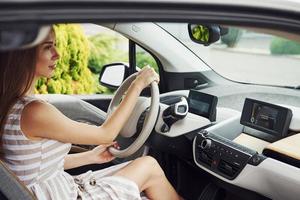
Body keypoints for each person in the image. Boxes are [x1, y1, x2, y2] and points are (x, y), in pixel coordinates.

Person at [0, 27, 181, 200]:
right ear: (23, 55)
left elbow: (37, 168)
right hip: (65, 195)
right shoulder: (33, 111)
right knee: (148, 167)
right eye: (48, 47)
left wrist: (90, 157)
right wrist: (138, 85)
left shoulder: (12, 105)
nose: (57, 54)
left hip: (63, 190)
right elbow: (106, 134)